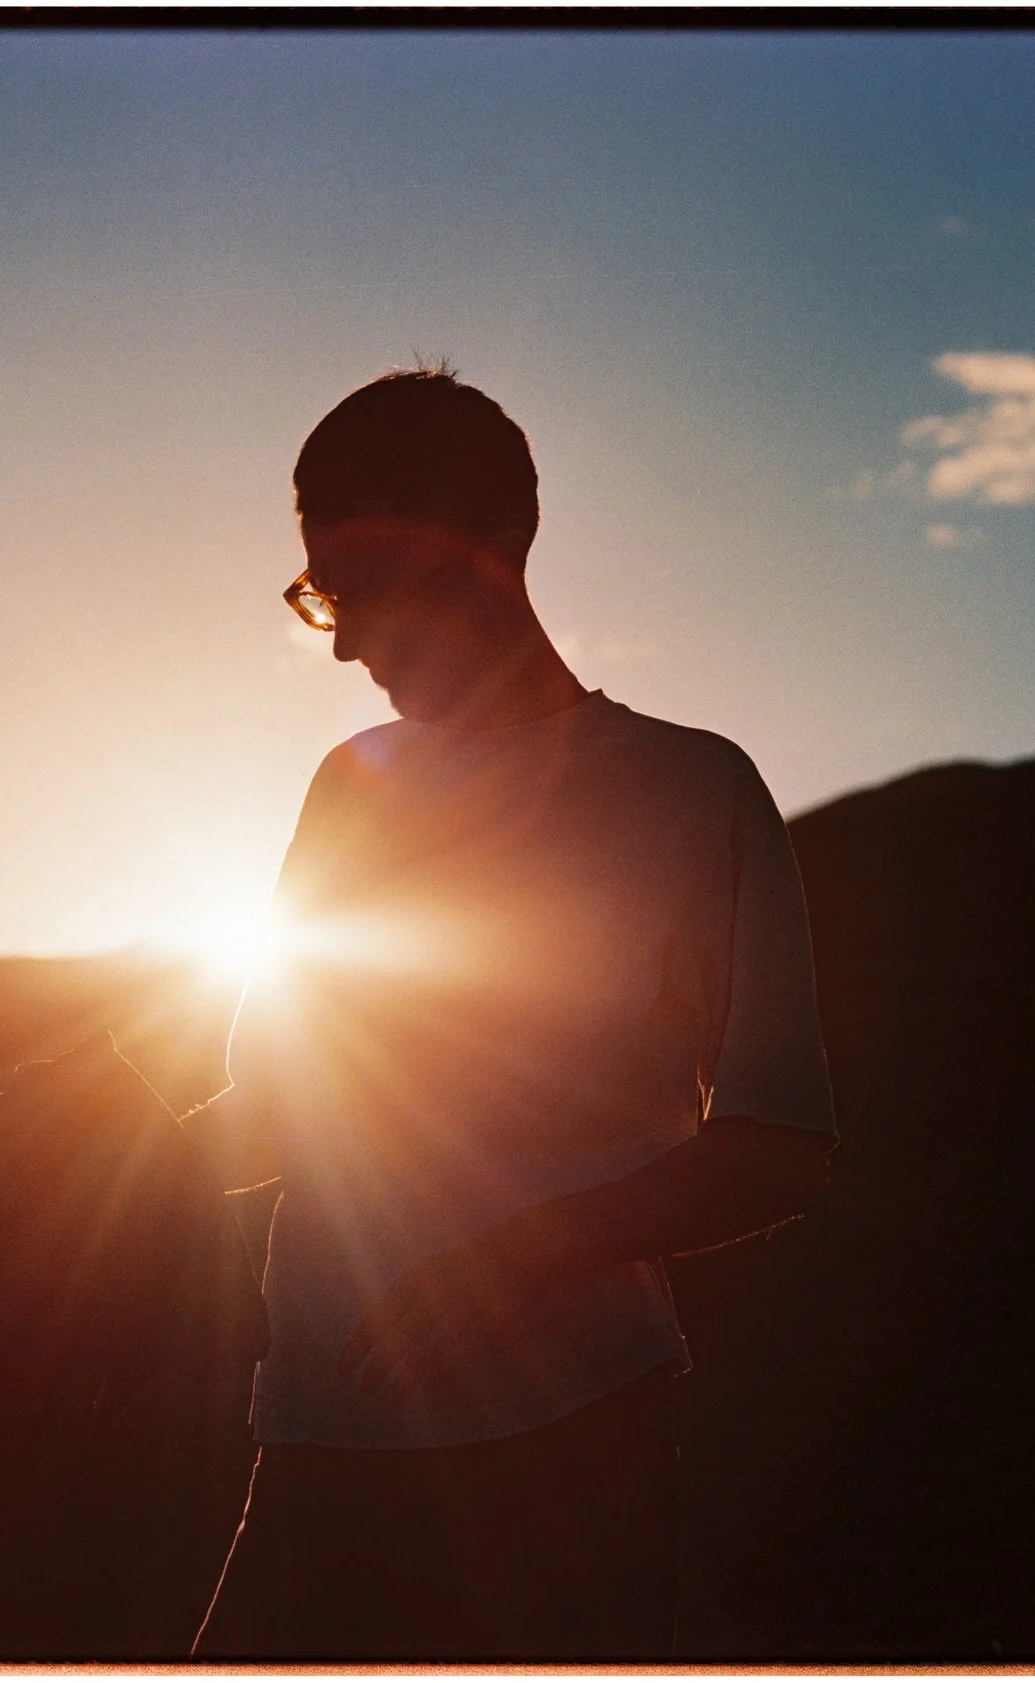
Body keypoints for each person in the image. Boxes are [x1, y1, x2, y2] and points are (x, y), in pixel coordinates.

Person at [184, 366, 840, 1660]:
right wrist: (54, 1129)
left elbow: (783, 1141)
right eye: (319, 592)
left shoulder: (694, 791)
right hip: (314, 1445)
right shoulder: (348, 787)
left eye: (354, 584)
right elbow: (268, 1120)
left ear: (488, 545)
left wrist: (522, 1256)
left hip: (572, 1465)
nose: (341, 639)